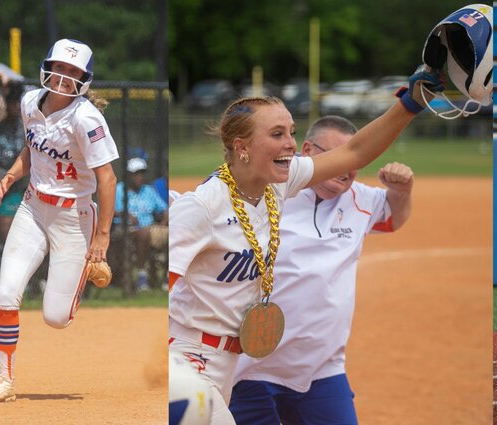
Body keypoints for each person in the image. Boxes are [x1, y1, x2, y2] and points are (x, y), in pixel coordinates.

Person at [168, 68, 442, 424]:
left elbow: (356, 151)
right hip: (189, 358)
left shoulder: (277, 185)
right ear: (242, 147)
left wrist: (412, 102)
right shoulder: (202, 207)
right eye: (277, 134)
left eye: (292, 133)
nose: (291, 144)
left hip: (229, 363)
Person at [228, 116, 414, 424]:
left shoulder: (361, 200)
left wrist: (402, 189)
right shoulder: (264, 191)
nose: (345, 167)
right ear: (307, 151)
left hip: (321, 371)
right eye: (336, 155)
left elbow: (394, 217)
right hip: (250, 369)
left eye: (353, 158)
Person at [0, 39, 119, 403]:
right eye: (59, 67)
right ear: (45, 66)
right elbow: (32, 147)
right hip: (33, 207)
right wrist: (13, 172)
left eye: (73, 72)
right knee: (5, 293)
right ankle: (4, 381)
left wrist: (102, 238)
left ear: (84, 80)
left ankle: (83, 270)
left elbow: (108, 178)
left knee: (56, 318)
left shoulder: (86, 118)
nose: (63, 77)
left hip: (74, 217)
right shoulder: (27, 102)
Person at [0, 76, 27, 291]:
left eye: (19, 103)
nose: (16, 107)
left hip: (13, 189)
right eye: (12, 103)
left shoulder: (25, 126)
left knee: (7, 230)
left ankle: (12, 282)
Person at [114, 156, 167, 291]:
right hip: (125, 229)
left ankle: (169, 275)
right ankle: (142, 275)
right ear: (128, 175)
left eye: (142, 173)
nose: (140, 177)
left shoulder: (148, 190)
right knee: (144, 233)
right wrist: (125, 214)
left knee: (171, 232)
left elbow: (163, 208)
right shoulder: (119, 189)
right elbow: (109, 210)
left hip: (150, 228)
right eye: (136, 174)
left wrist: (166, 219)